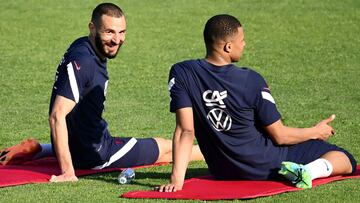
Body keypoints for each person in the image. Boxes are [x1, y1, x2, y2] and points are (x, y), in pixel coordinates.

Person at [0, 3, 204, 182]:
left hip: (82, 142)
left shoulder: (83, 46)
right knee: (166, 150)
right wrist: (68, 172)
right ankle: (219, 152)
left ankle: (42, 149)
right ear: (92, 28)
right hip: (97, 153)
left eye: (122, 32)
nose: (117, 40)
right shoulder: (85, 61)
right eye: (109, 32)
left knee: (165, 147)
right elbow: (56, 115)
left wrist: (48, 149)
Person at [159, 14, 357, 192]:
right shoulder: (251, 80)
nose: (244, 45)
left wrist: (177, 181)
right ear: (228, 46)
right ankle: (306, 172)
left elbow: (185, 131)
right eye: (242, 40)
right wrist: (315, 131)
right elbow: (280, 136)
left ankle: (303, 169)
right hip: (265, 165)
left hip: (222, 170)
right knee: (344, 158)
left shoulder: (182, 72)